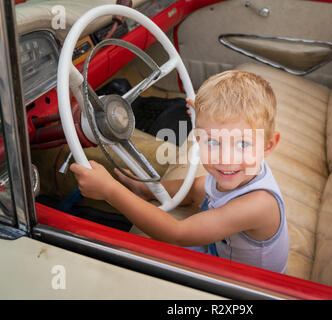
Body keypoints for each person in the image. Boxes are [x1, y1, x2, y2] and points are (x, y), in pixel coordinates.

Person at [70, 70, 289, 273]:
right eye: (212, 141)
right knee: (198, 185)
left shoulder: (258, 205)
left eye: (242, 145)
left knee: (146, 258)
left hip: (241, 280)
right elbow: (198, 183)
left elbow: (177, 234)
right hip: (226, 247)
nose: (225, 158)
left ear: (268, 146)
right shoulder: (241, 171)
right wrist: (199, 114)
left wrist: (109, 190)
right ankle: (145, 190)